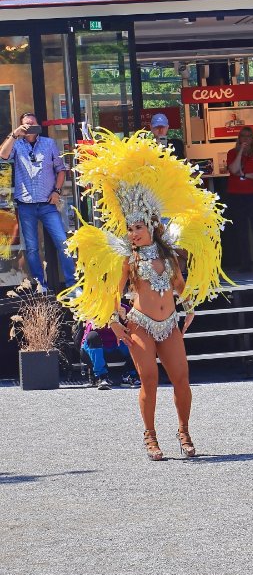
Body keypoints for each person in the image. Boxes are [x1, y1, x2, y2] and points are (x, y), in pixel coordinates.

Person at [62, 129, 227, 461]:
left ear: (151, 226)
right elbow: (113, 291)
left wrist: (189, 306)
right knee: (148, 379)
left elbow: (178, 283)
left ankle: (184, 431)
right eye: (129, 228)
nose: (132, 233)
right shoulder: (129, 259)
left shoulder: (168, 255)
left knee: (182, 379)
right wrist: (114, 321)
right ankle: (150, 436)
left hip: (169, 323)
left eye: (137, 227)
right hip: (140, 324)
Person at [0, 112, 76, 289]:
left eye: (32, 123)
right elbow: (3, 155)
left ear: (38, 125)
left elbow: (61, 169)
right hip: (26, 205)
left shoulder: (49, 144)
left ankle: (72, 285)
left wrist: (57, 191)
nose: (29, 127)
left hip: (48, 204)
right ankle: (40, 286)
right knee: (32, 248)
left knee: (63, 243)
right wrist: (15, 134)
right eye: (26, 124)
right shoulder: (17, 145)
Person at [226, 126, 253, 273]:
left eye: (249, 136)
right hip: (237, 196)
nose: (246, 139)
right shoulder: (232, 153)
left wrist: (245, 175)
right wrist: (241, 152)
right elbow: (233, 169)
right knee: (241, 231)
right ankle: (245, 264)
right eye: (243, 136)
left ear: (252, 139)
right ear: (239, 138)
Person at [80, 314, 140, 390]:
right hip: (93, 348)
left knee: (136, 339)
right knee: (93, 336)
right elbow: (91, 327)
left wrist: (125, 318)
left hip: (117, 345)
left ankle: (130, 375)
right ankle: (101, 377)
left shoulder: (123, 309)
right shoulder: (93, 310)